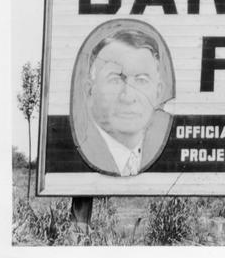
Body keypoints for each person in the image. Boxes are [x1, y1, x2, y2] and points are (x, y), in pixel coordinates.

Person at [71, 25, 173, 176]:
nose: (128, 97)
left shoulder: (159, 150)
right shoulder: (81, 153)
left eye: (141, 80)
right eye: (115, 80)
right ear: (89, 90)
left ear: (158, 92)